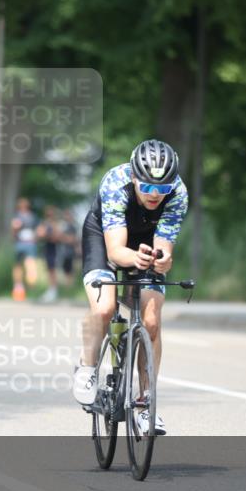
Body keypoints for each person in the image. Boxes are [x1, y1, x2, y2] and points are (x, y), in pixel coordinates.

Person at [71, 139, 187, 436]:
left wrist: (162, 261)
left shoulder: (178, 193)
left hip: (146, 240)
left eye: (162, 189)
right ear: (134, 177)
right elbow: (115, 252)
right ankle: (86, 367)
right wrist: (135, 258)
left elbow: (164, 246)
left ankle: (146, 403)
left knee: (151, 321)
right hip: (106, 237)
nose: (155, 195)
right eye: (148, 187)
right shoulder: (115, 183)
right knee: (105, 307)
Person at [10, 197, 39, 301]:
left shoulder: (32, 216)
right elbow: (13, 231)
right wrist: (14, 228)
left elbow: (37, 230)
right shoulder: (17, 216)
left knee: (30, 264)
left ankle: (31, 285)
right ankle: (18, 286)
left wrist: (35, 238)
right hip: (19, 243)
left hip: (30, 243)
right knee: (18, 265)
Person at [38, 205, 60, 303]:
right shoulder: (44, 223)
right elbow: (39, 234)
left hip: (54, 248)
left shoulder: (55, 224)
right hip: (47, 247)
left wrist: (49, 235)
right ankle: (51, 289)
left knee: (53, 269)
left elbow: (56, 237)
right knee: (49, 269)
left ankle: (53, 290)